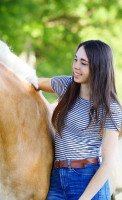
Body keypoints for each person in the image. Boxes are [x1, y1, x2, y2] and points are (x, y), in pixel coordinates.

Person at [37, 40, 122, 199]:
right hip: (57, 179)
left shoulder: (110, 108)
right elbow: (34, 83)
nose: (76, 66)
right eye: (75, 59)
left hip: (88, 181)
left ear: (98, 68)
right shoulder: (66, 85)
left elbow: (108, 163)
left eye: (83, 63)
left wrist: (84, 198)